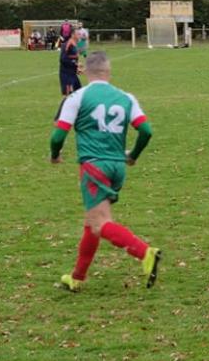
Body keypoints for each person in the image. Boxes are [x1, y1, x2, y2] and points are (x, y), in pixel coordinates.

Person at [50, 52, 162, 292]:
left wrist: (55, 154)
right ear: (108, 71)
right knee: (92, 222)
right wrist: (133, 155)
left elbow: (59, 134)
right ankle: (77, 277)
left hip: (94, 166)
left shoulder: (78, 97)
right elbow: (146, 131)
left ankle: (146, 253)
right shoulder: (126, 97)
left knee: (100, 223)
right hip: (117, 167)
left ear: (86, 71)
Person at [59, 27, 82, 97]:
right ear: (73, 35)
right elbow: (63, 59)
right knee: (67, 96)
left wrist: (77, 68)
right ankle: (64, 107)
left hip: (73, 74)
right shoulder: (67, 44)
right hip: (66, 74)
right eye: (78, 34)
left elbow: (73, 58)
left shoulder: (76, 45)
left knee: (79, 92)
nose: (80, 36)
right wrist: (75, 64)